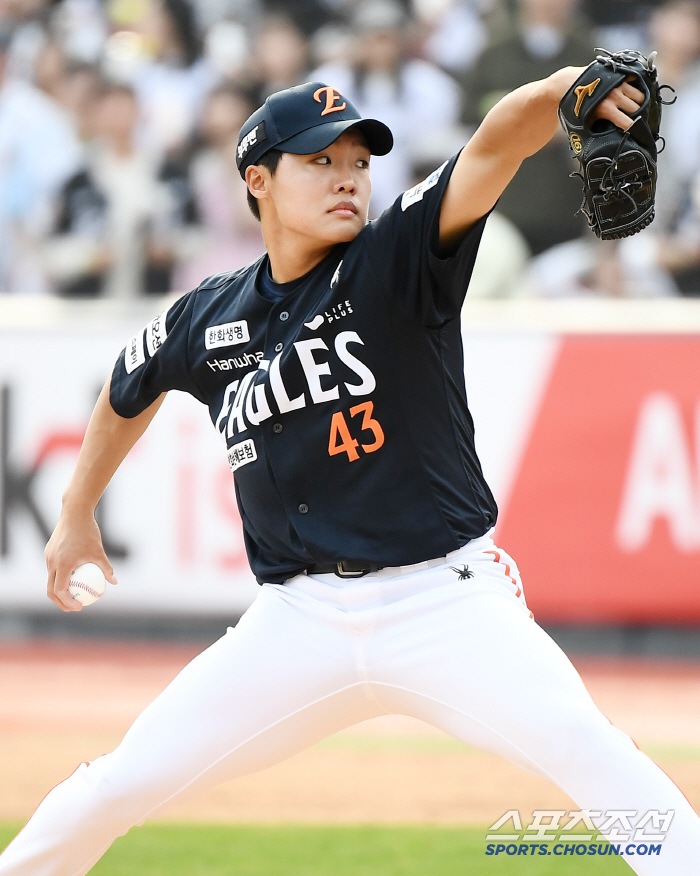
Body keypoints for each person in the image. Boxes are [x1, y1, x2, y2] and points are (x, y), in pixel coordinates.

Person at [1, 73, 699, 876]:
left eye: (358, 162)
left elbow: (499, 136)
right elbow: (129, 387)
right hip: (298, 619)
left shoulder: (398, 253)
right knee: (119, 783)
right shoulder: (209, 314)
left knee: (593, 756)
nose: (347, 177)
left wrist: (563, 87)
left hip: (445, 602)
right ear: (257, 181)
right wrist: (75, 510)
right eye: (318, 161)